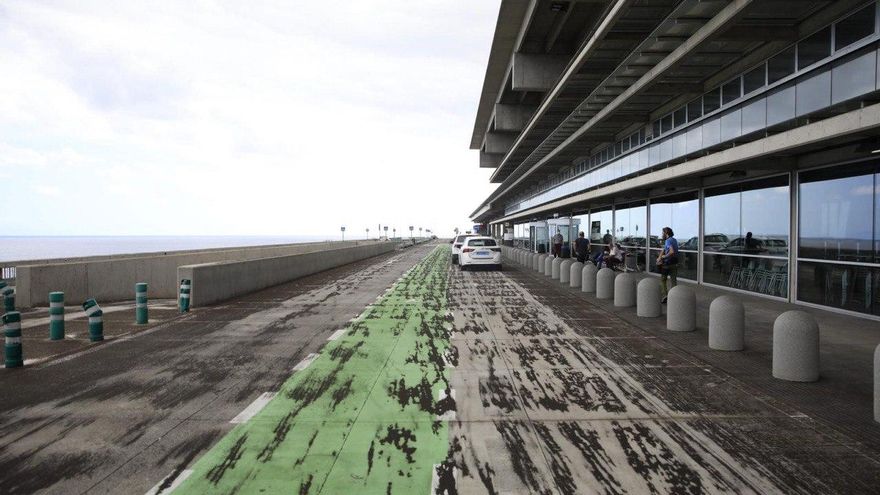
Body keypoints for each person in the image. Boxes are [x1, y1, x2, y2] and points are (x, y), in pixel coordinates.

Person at [657, 226, 678, 303]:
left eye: (663, 233)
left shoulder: (668, 241)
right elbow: (665, 249)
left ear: (666, 233)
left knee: (663, 279)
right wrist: (660, 256)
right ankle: (674, 296)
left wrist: (663, 256)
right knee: (673, 280)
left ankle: (665, 296)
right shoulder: (674, 240)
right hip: (675, 263)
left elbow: (671, 251)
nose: (662, 234)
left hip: (667, 263)